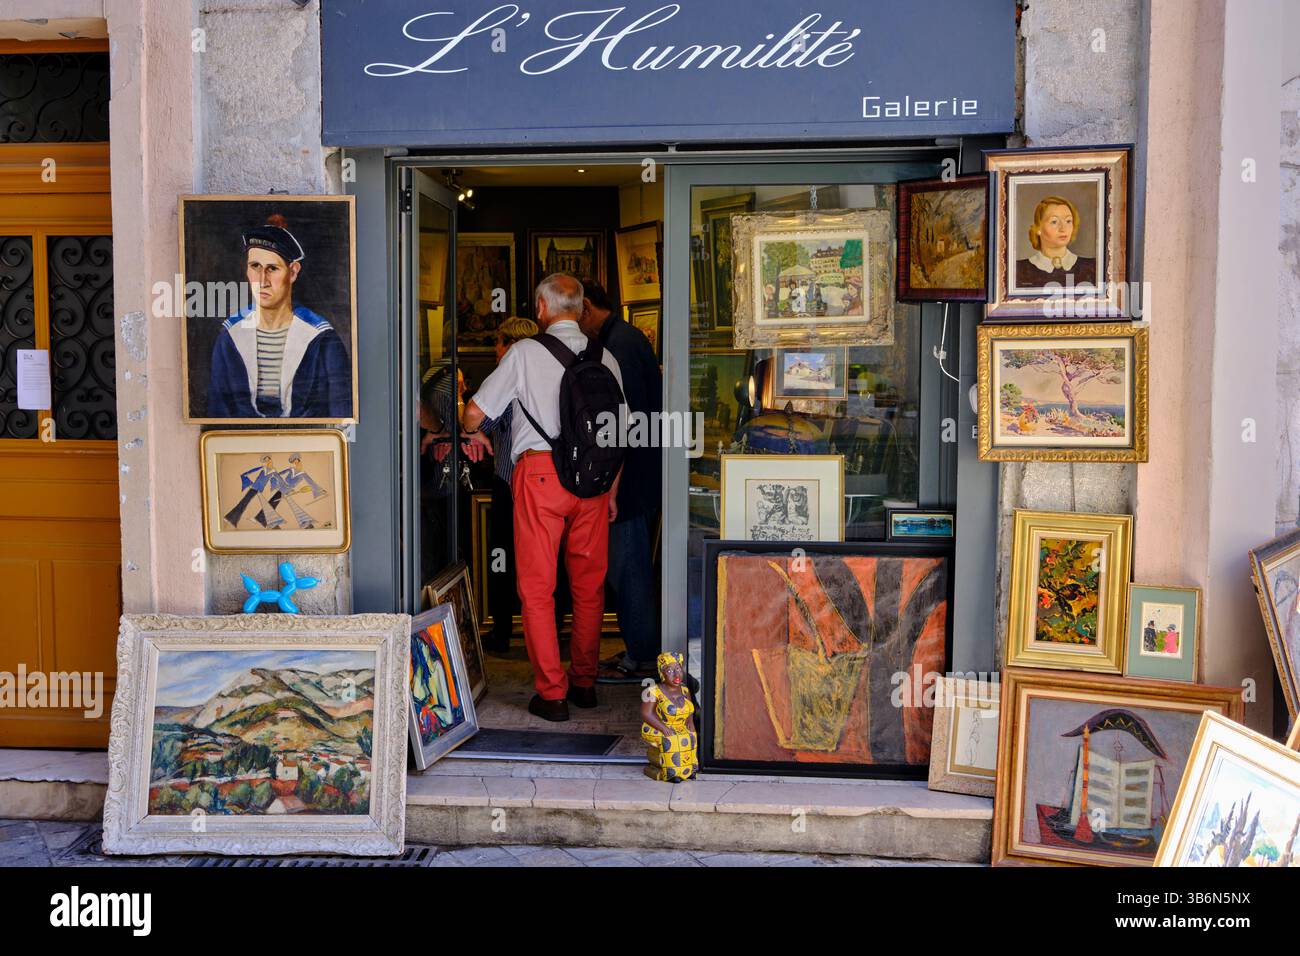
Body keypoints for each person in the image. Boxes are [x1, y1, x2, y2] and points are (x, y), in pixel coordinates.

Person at [461, 274, 625, 722]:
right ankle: (585, 685)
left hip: (539, 475)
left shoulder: (524, 353)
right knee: (589, 588)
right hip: (593, 481)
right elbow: (619, 433)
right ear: (581, 306)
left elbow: (475, 411)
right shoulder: (604, 356)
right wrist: (610, 490)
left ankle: (552, 694)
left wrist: (469, 431)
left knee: (536, 589)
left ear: (540, 308)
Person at [576, 280, 664, 684]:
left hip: (630, 472)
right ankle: (639, 649)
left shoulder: (618, 345)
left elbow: (627, 421)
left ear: (588, 307)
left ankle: (642, 656)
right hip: (639, 467)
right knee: (628, 564)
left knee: (628, 567)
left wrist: (613, 478)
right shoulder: (625, 337)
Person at [208, 213, 353, 419]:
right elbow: (217, 411)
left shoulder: (321, 339)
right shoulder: (230, 336)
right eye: (255, 266)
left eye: (272, 269)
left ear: (292, 272)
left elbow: (340, 413)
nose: (262, 280)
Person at [477, 316, 539, 653]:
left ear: (512, 345)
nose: (495, 351)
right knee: (544, 562)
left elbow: (482, 419)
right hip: (546, 484)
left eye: (499, 343)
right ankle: (547, 638)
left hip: (509, 481)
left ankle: (501, 632)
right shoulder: (547, 378)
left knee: (502, 556)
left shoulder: (506, 378)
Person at [1015, 195, 1096, 289]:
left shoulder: (1092, 267)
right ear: (1038, 228)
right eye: (1054, 222)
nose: (1063, 228)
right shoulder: (1019, 269)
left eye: (1068, 221)